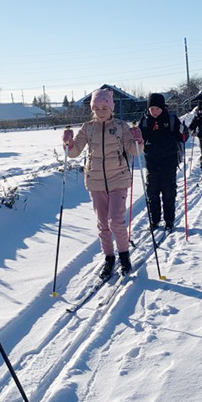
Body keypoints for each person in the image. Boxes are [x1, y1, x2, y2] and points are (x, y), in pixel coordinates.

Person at [63, 87, 142, 278]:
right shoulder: (87, 128)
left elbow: (134, 151)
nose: (100, 111)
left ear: (111, 108)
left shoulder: (121, 126)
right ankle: (109, 258)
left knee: (115, 220)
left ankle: (124, 257)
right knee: (103, 225)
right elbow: (74, 153)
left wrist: (138, 140)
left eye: (104, 107)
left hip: (119, 178)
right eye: (96, 108)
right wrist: (68, 144)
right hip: (96, 181)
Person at [137, 93, 187, 231]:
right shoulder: (145, 121)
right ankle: (155, 220)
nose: (155, 112)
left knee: (168, 192)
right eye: (152, 109)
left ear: (162, 108)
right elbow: (139, 139)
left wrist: (184, 132)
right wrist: (135, 138)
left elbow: (182, 136)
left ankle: (169, 220)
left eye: (157, 109)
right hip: (151, 161)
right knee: (152, 193)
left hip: (169, 160)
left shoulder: (171, 119)